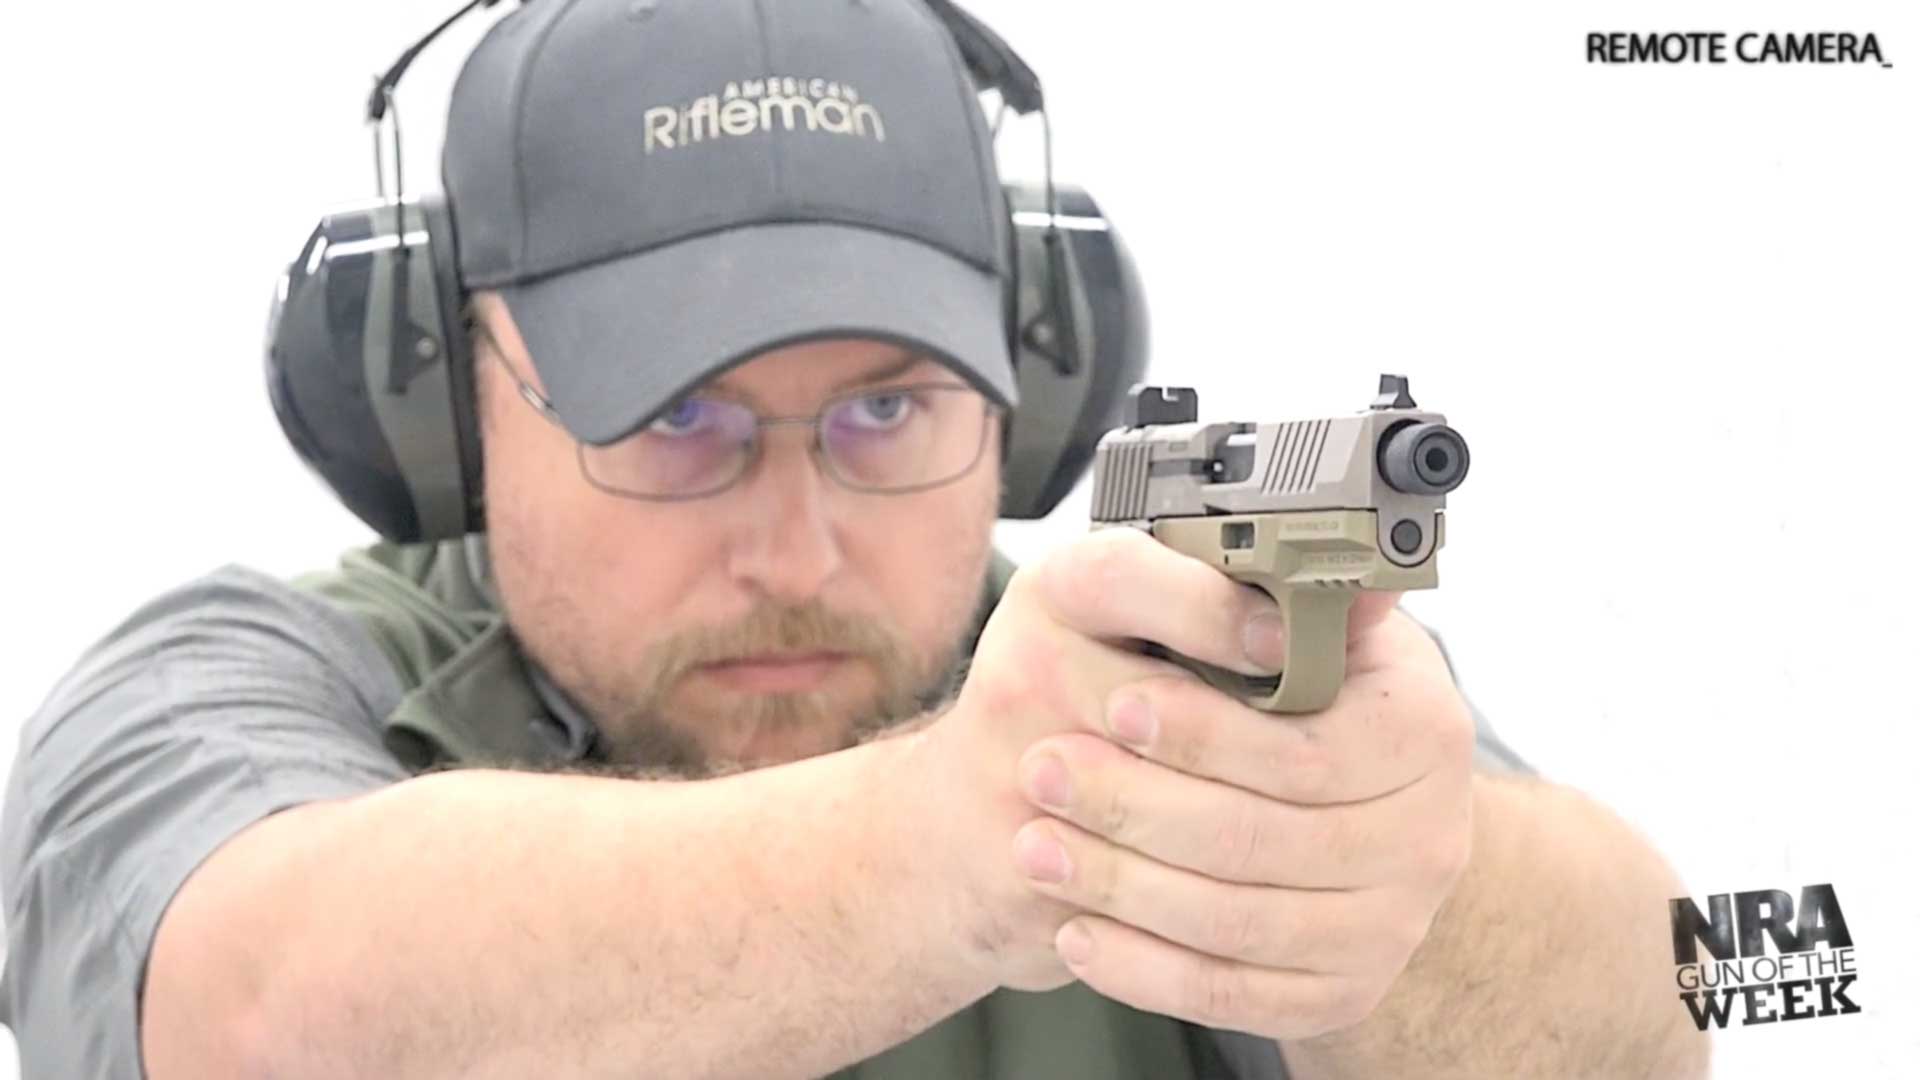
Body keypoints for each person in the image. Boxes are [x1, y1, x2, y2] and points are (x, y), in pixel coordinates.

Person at [0, 0, 1707, 1076]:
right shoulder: (222, 683)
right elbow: (249, 1013)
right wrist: (976, 839)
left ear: (1034, 398)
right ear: (441, 403)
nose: (797, 549)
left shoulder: (1161, 680)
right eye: (676, 422)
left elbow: (1662, 1013)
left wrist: (1402, 897)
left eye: (891, 413)